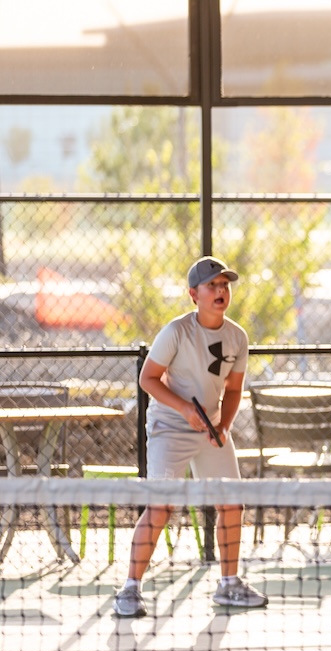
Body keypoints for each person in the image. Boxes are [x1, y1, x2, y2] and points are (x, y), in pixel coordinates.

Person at [113, 256, 267, 618]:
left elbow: (233, 390)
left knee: (232, 504)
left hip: (212, 428)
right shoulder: (175, 332)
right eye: (212, 285)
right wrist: (185, 410)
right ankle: (130, 590)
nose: (220, 291)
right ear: (193, 295)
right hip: (170, 428)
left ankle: (229, 585)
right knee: (161, 506)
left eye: (225, 285)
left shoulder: (238, 336)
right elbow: (147, 379)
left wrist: (224, 426)